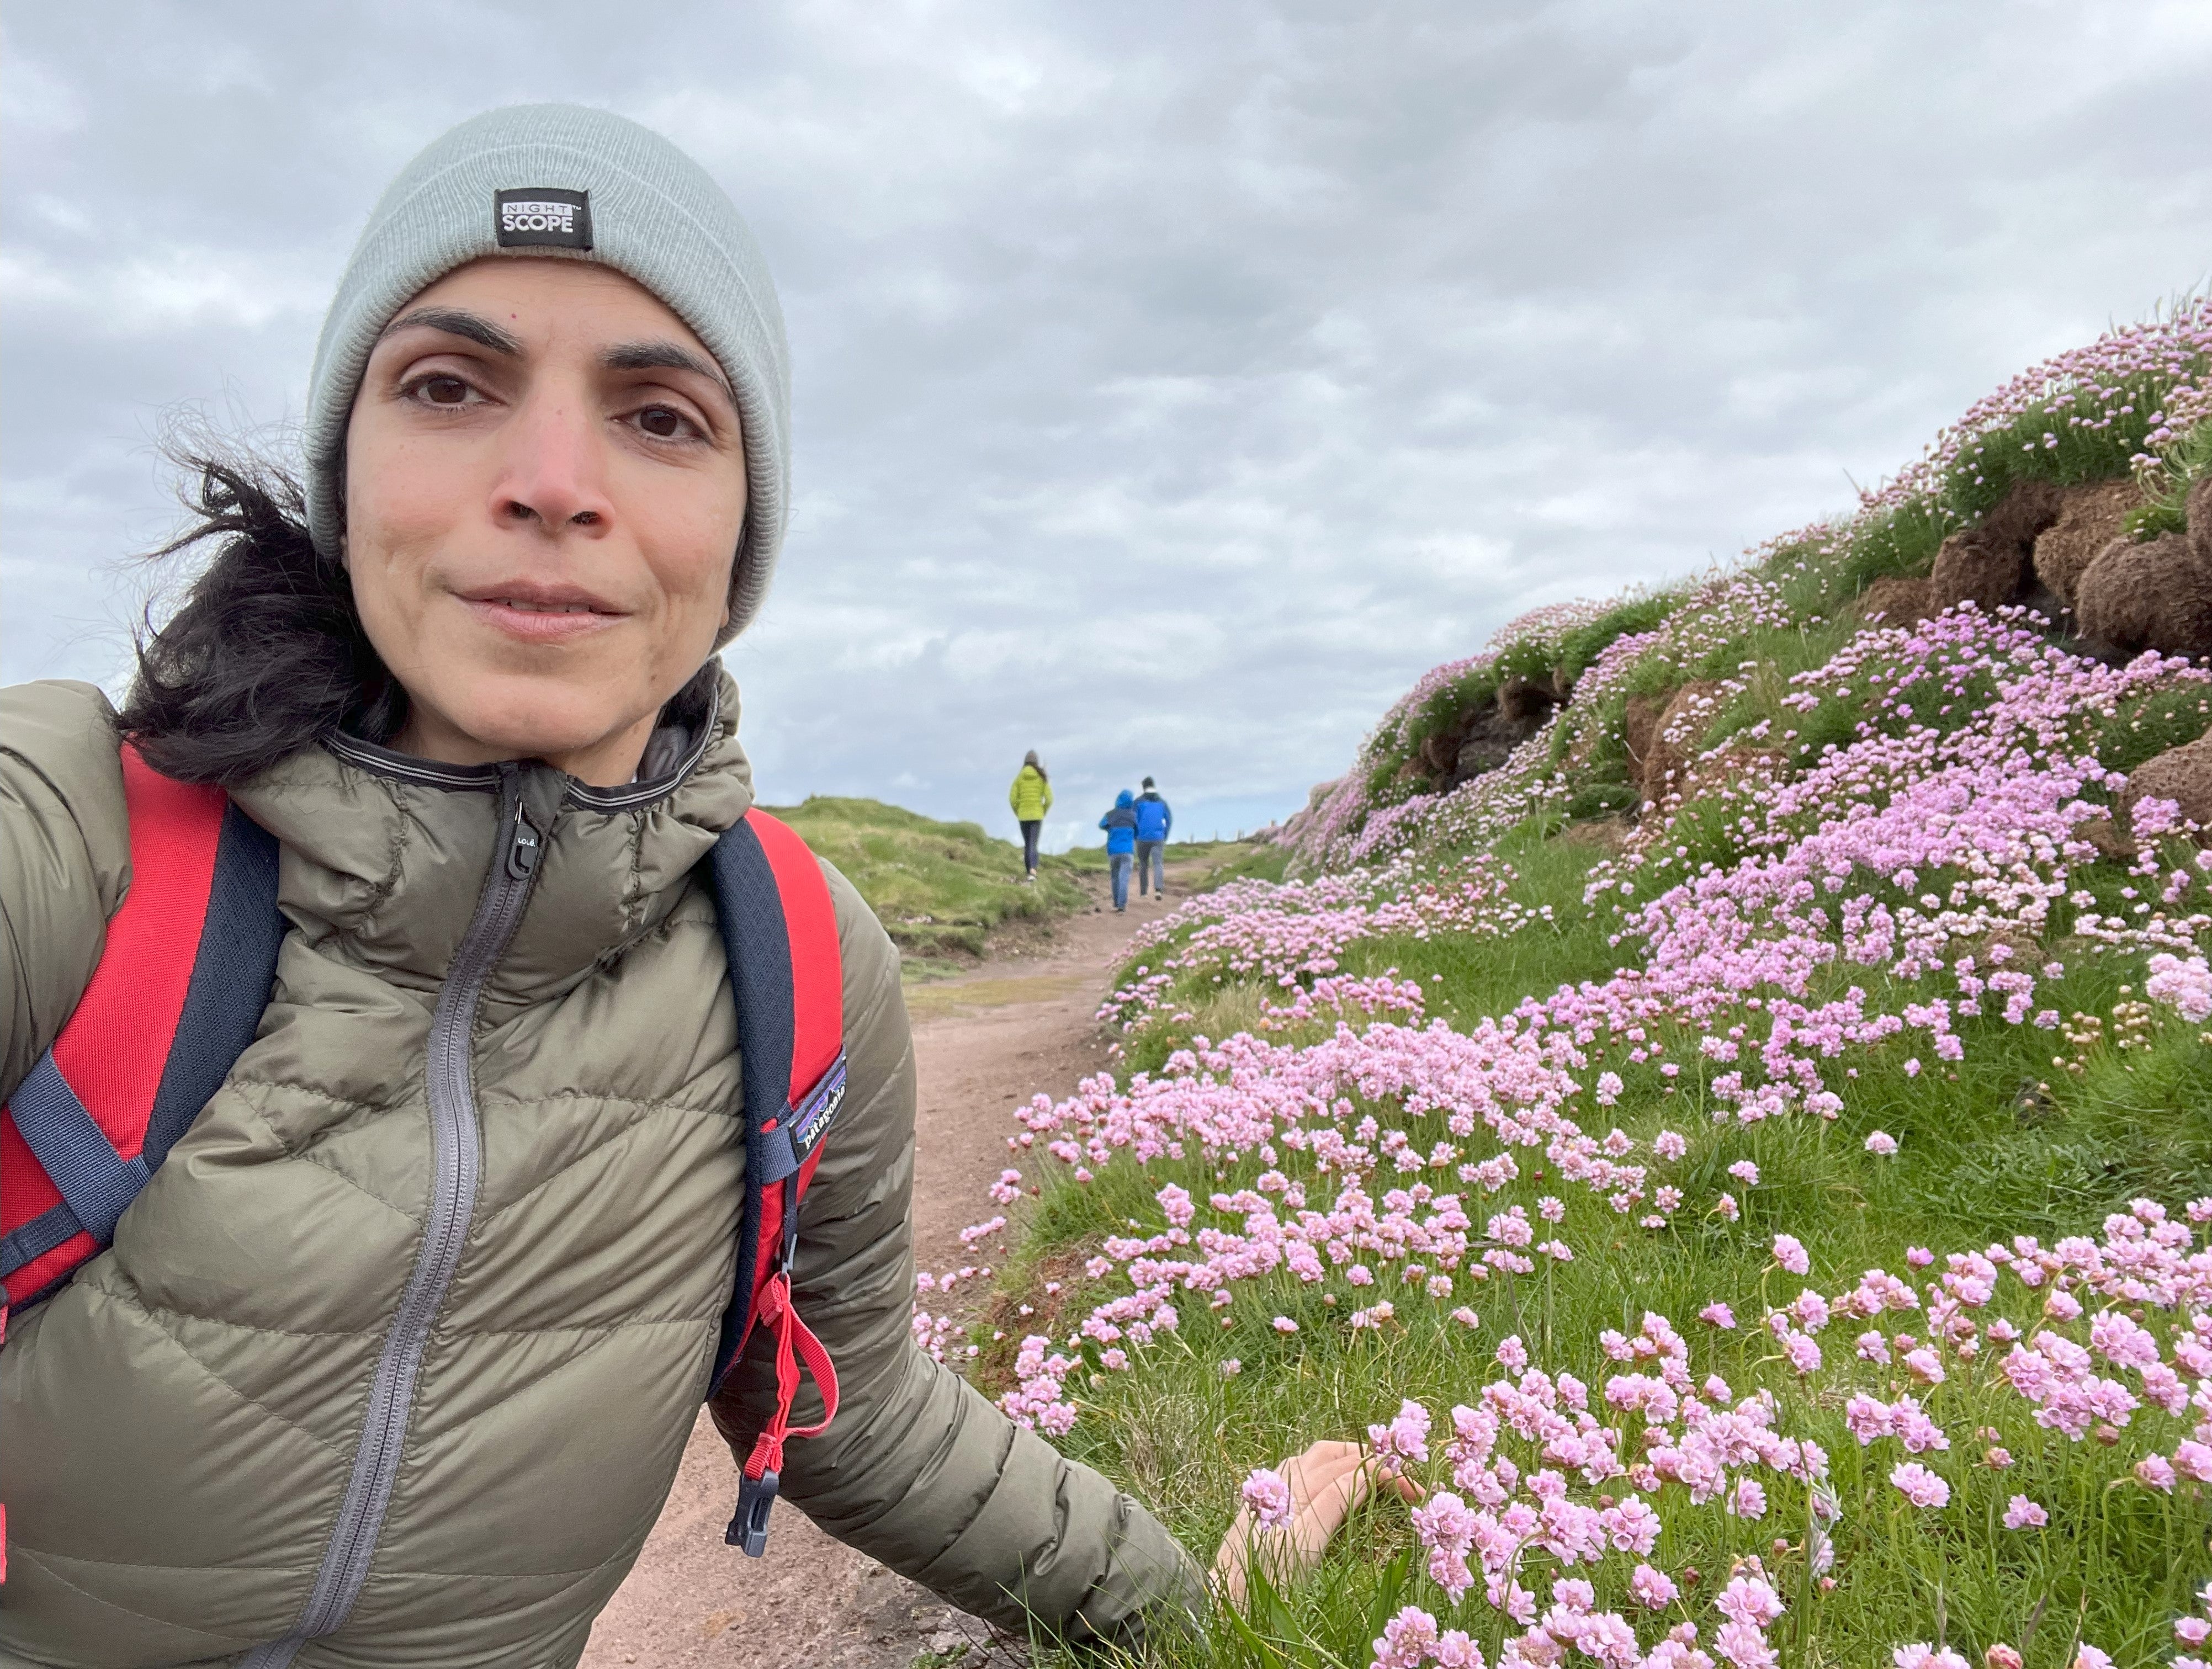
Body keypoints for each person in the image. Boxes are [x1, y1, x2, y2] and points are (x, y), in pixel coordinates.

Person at [0, 105, 1394, 1669]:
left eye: (661, 417)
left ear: (744, 539)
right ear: (346, 470)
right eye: (449, 388)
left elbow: (858, 1419)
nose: (549, 481)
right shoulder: (73, 828)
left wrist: (1222, 1630)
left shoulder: (796, 957)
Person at [1007, 748, 1051, 880]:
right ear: (1036, 763)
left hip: (1023, 816)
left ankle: (1029, 872)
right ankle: (1032, 871)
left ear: (1025, 763)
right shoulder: (1041, 778)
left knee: (1028, 843)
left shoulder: (1019, 778)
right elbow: (1050, 799)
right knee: (1033, 843)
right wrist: (1043, 810)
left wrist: (1018, 811)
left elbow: (1012, 799)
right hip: (1037, 815)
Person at [1099, 787, 1139, 911]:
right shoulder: (1133, 816)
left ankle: (1116, 904)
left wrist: (1110, 829)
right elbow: (1137, 832)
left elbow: (1101, 825)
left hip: (1113, 851)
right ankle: (1122, 905)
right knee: (1124, 878)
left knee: (1115, 877)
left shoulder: (1110, 814)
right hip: (1128, 851)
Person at [1133, 774, 1172, 899]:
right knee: (1158, 863)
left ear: (1144, 787)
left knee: (1143, 863)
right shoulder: (1162, 802)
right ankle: (1158, 890)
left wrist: (1135, 834)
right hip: (1158, 837)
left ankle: (1144, 892)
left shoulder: (1138, 802)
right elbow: (1169, 819)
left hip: (1142, 837)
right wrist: (1165, 834)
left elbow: (1134, 819)